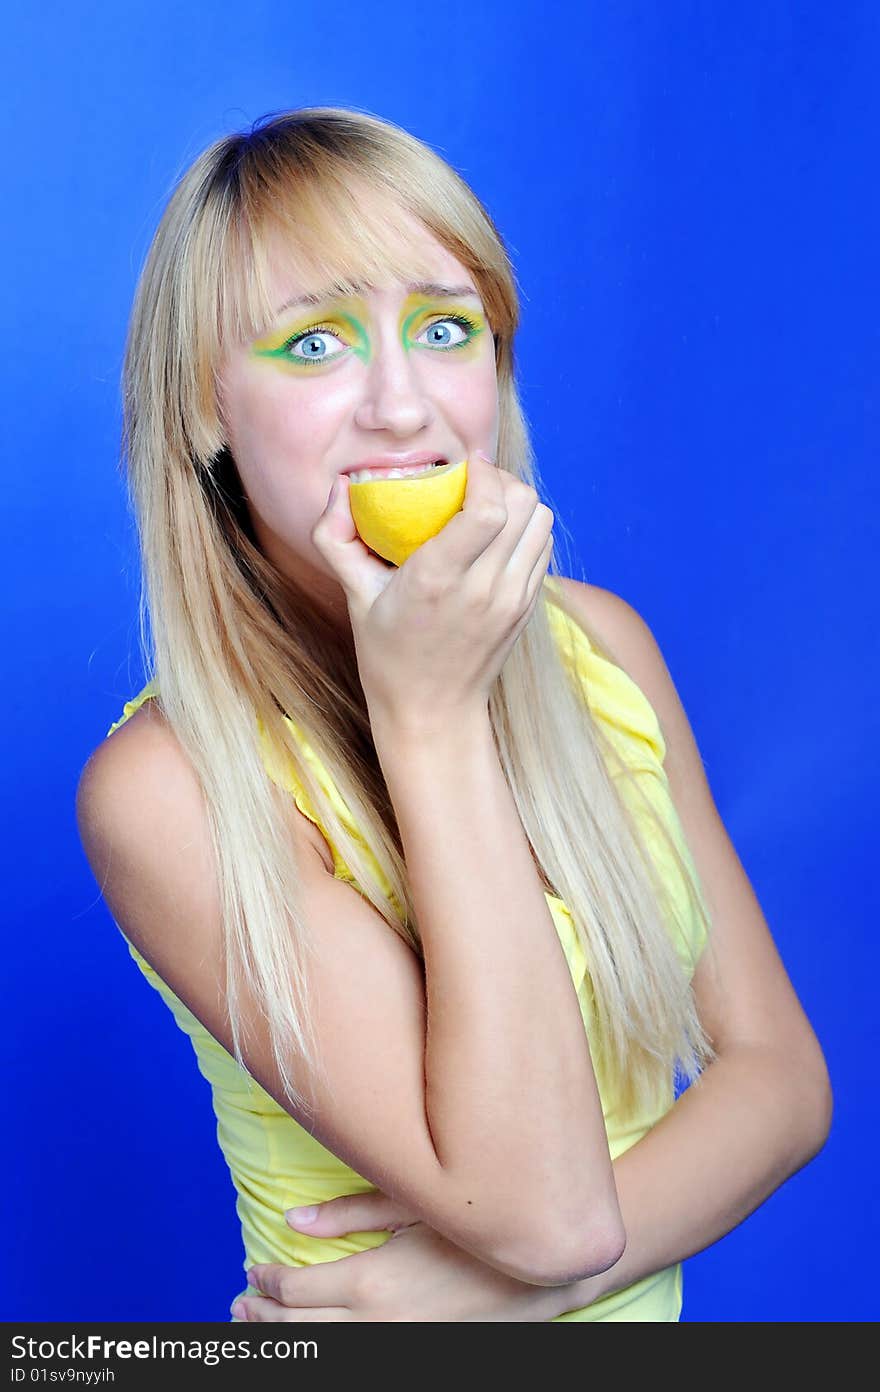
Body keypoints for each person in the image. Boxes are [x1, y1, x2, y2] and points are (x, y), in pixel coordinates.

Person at [76, 106, 832, 1323]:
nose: (401, 406)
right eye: (314, 345)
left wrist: (497, 1296)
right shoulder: (165, 792)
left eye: (444, 329)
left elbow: (783, 1082)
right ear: (203, 410)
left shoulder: (609, 652)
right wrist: (427, 717)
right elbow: (551, 1216)